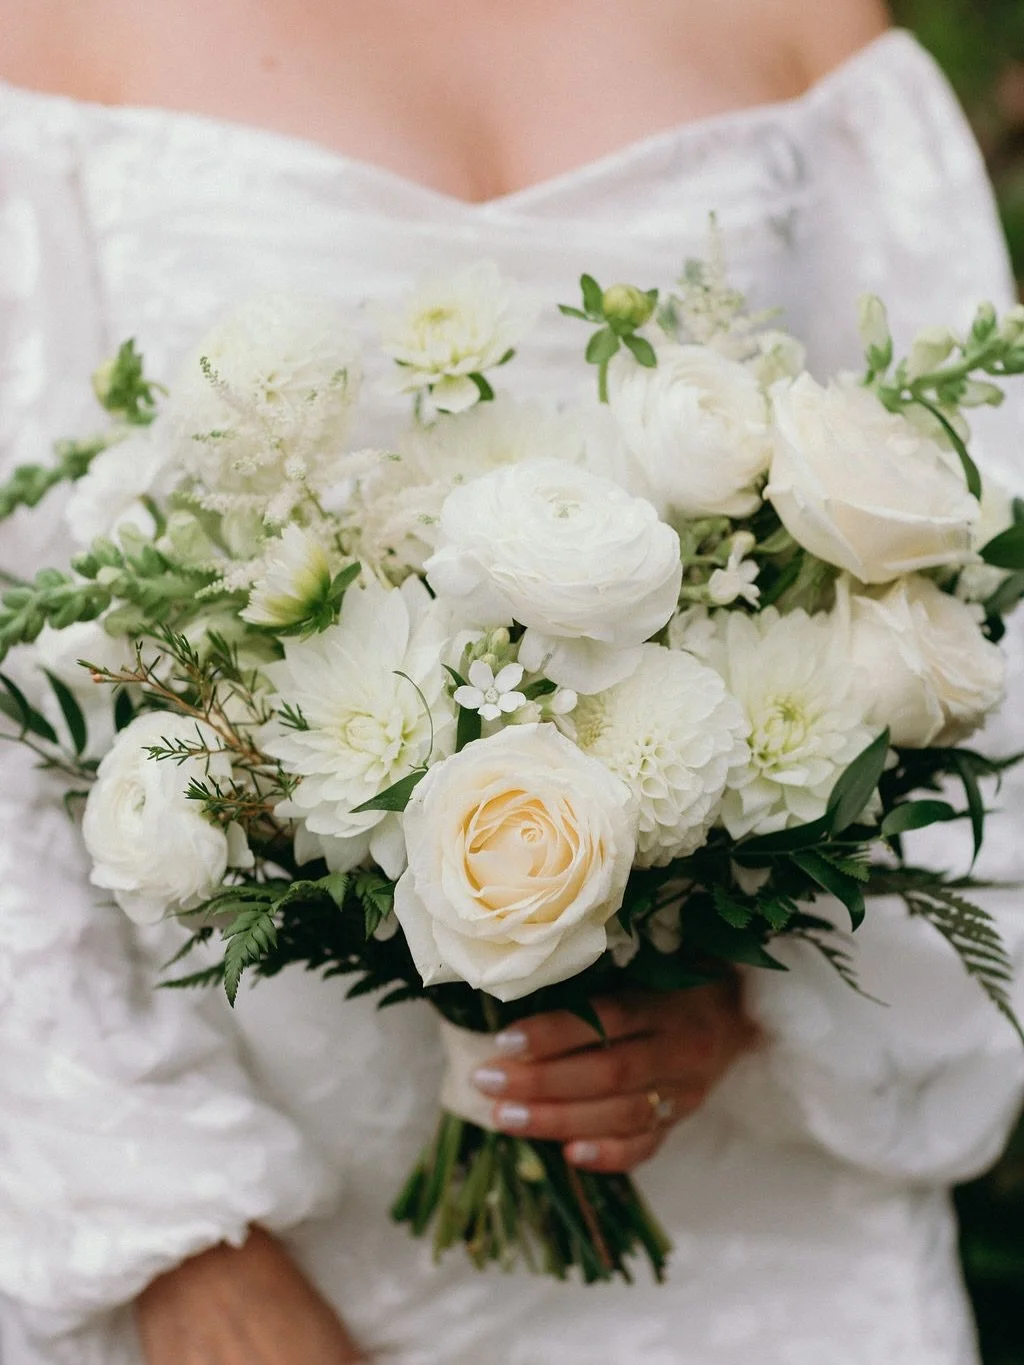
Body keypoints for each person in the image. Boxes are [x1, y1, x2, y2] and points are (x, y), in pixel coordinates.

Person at [1, 2, 1023, 1362]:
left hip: (757, 1241)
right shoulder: (47, 44)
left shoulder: (811, 30)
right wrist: (185, 1248)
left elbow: (968, 586)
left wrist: (753, 1012)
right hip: (247, 1227)